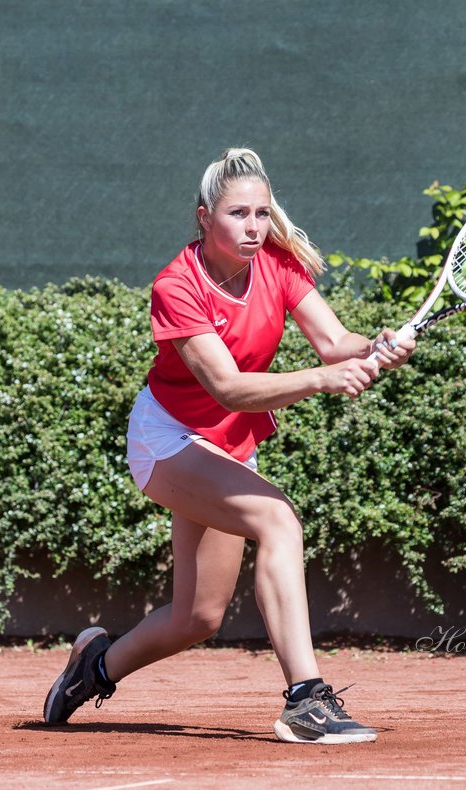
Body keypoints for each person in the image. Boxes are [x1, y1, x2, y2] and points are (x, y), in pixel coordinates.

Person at [43, 147, 415, 744]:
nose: (254, 227)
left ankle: (95, 667)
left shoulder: (277, 263)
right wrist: (323, 379)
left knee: (197, 618)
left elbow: (334, 340)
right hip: (168, 441)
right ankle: (306, 698)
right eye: (238, 213)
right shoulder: (176, 286)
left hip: (229, 446)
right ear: (203, 217)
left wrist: (376, 346)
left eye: (262, 214)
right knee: (278, 520)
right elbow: (230, 387)